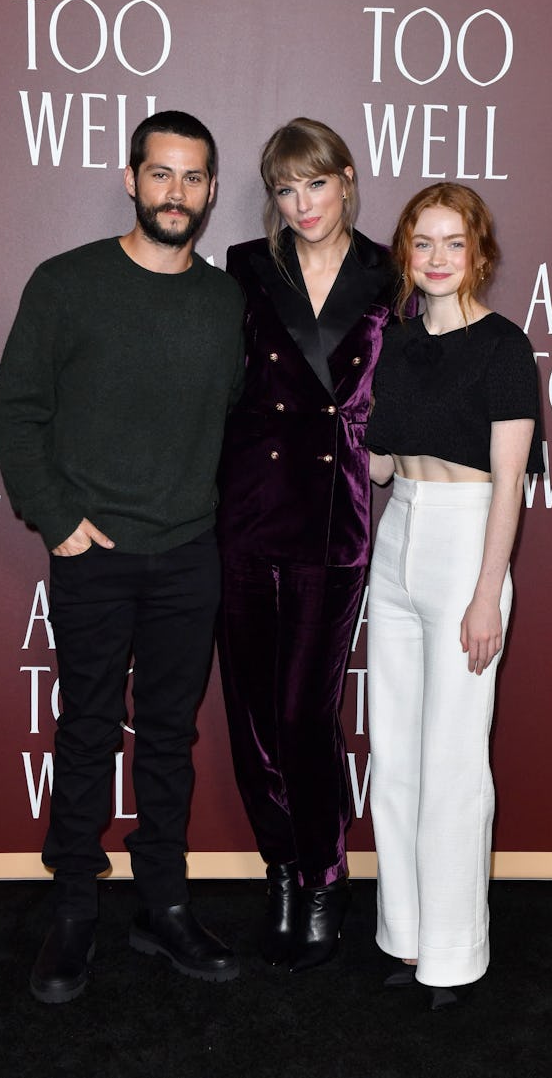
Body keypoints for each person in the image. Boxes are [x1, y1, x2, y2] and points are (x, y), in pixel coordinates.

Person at [0, 110, 245, 1004]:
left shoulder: (224, 304)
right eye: (161, 174)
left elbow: (245, 428)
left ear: (213, 192)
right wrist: (58, 519)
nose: (176, 192)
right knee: (89, 729)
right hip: (93, 553)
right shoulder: (66, 283)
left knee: (172, 739)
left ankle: (163, 906)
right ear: (131, 179)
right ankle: (72, 911)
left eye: (193, 178)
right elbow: (15, 411)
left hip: (188, 556)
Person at [215, 118, 405, 972]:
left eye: (316, 184)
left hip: (338, 515)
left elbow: (416, 382)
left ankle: (326, 873)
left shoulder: (389, 272)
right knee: (252, 713)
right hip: (251, 507)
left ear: (346, 179)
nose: (303, 205)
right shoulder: (249, 268)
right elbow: (225, 380)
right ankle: (282, 868)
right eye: (286, 190)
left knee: (302, 712)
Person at [365, 183, 544, 1010]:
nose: (437, 258)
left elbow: (509, 482)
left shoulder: (506, 346)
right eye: (422, 242)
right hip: (397, 536)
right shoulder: (393, 344)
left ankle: (451, 952)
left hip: (466, 542)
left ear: (479, 254)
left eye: (453, 243)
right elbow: (377, 462)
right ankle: (403, 932)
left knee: (453, 762)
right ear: (406, 252)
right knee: (393, 752)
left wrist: (485, 595)